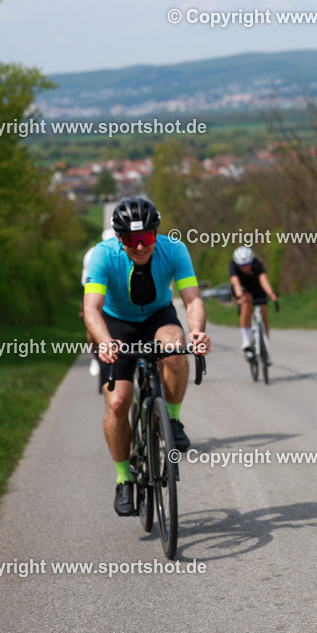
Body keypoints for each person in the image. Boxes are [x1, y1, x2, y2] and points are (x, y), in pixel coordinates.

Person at [83, 197, 210, 516]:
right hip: (117, 323)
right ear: (119, 239)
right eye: (131, 240)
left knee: (175, 346)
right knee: (116, 403)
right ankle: (125, 479)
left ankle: (173, 419)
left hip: (157, 316)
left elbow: (192, 299)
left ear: (156, 234)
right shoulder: (103, 255)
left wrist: (196, 332)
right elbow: (91, 308)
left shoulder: (175, 250)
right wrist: (105, 341)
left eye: (146, 239)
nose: (140, 247)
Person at [229, 246, 278, 361]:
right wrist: (240, 296)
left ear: (252, 260)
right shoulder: (233, 265)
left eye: (247, 264)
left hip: (257, 287)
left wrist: (271, 293)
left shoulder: (257, 264)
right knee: (246, 304)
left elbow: (263, 279)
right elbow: (235, 282)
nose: (245, 268)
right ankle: (246, 340)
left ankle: (265, 347)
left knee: (263, 310)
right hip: (243, 288)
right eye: (242, 266)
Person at [81, 229, 116, 376]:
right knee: (91, 324)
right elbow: (87, 282)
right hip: (93, 288)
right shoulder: (93, 254)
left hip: (114, 293)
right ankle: (96, 356)